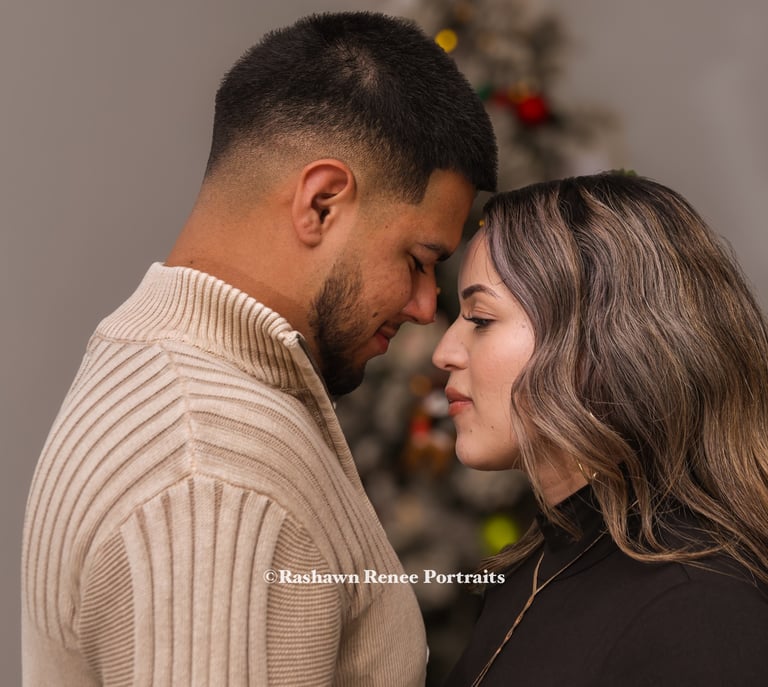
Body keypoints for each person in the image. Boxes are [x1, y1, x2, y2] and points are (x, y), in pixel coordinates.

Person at [21, 12, 497, 686]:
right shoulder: (212, 474)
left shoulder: (152, 357)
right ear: (322, 203)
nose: (426, 307)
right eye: (418, 261)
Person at [433, 171, 768, 686]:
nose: (444, 352)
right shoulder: (535, 567)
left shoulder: (698, 609)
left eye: (480, 319)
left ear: (599, 344)